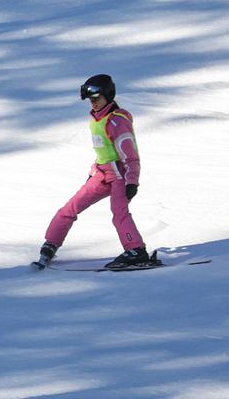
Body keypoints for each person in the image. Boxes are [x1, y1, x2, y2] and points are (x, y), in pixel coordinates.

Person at [35, 74, 147, 269]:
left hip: (120, 175)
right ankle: (51, 243)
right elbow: (102, 150)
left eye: (97, 98)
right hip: (102, 174)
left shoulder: (116, 121)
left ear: (108, 95)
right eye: (90, 100)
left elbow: (131, 155)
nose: (93, 103)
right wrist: (93, 171)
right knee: (70, 208)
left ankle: (136, 250)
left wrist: (132, 181)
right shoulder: (97, 119)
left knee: (119, 213)